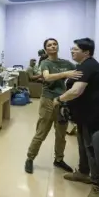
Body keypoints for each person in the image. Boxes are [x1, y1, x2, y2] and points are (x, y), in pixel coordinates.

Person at [53, 38, 99, 197]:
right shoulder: (83, 66)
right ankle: (83, 172)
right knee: (83, 144)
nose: (72, 51)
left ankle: (97, 184)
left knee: (93, 149)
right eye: (72, 49)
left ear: (86, 52)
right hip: (85, 114)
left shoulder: (89, 66)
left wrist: (60, 99)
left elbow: (76, 91)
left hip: (96, 115)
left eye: (75, 49)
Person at [25, 38, 82, 174]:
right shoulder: (45, 63)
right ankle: (30, 158)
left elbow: (81, 72)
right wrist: (65, 74)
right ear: (46, 50)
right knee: (41, 132)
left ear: (58, 46)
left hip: (62, 102)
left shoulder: (66, 63)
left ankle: (59, 159)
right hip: (48, 101)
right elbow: (47, 77)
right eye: (49, 45)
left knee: (61, 134)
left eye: (55, 44)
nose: (52, 46)